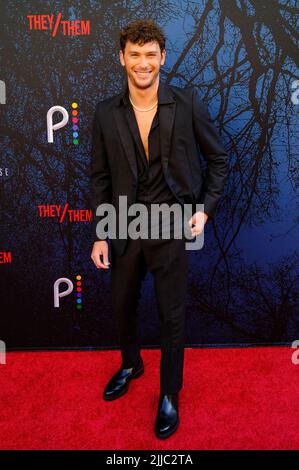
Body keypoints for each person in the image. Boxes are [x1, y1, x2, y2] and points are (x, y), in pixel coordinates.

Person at [90, 19, 229, 439]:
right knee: (121, 306)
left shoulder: (186, 105)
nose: (143, 63)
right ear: (122, 58)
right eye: (135, 54)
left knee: (171, 317)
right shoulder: (104, 113)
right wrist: (100, 232)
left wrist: (203, 210)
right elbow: (99, 176)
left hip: (171, 226)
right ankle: (131, 363)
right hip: (124, 227)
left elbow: (218, 161)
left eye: (151, 54)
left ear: (163, 58)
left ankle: (170, 392)